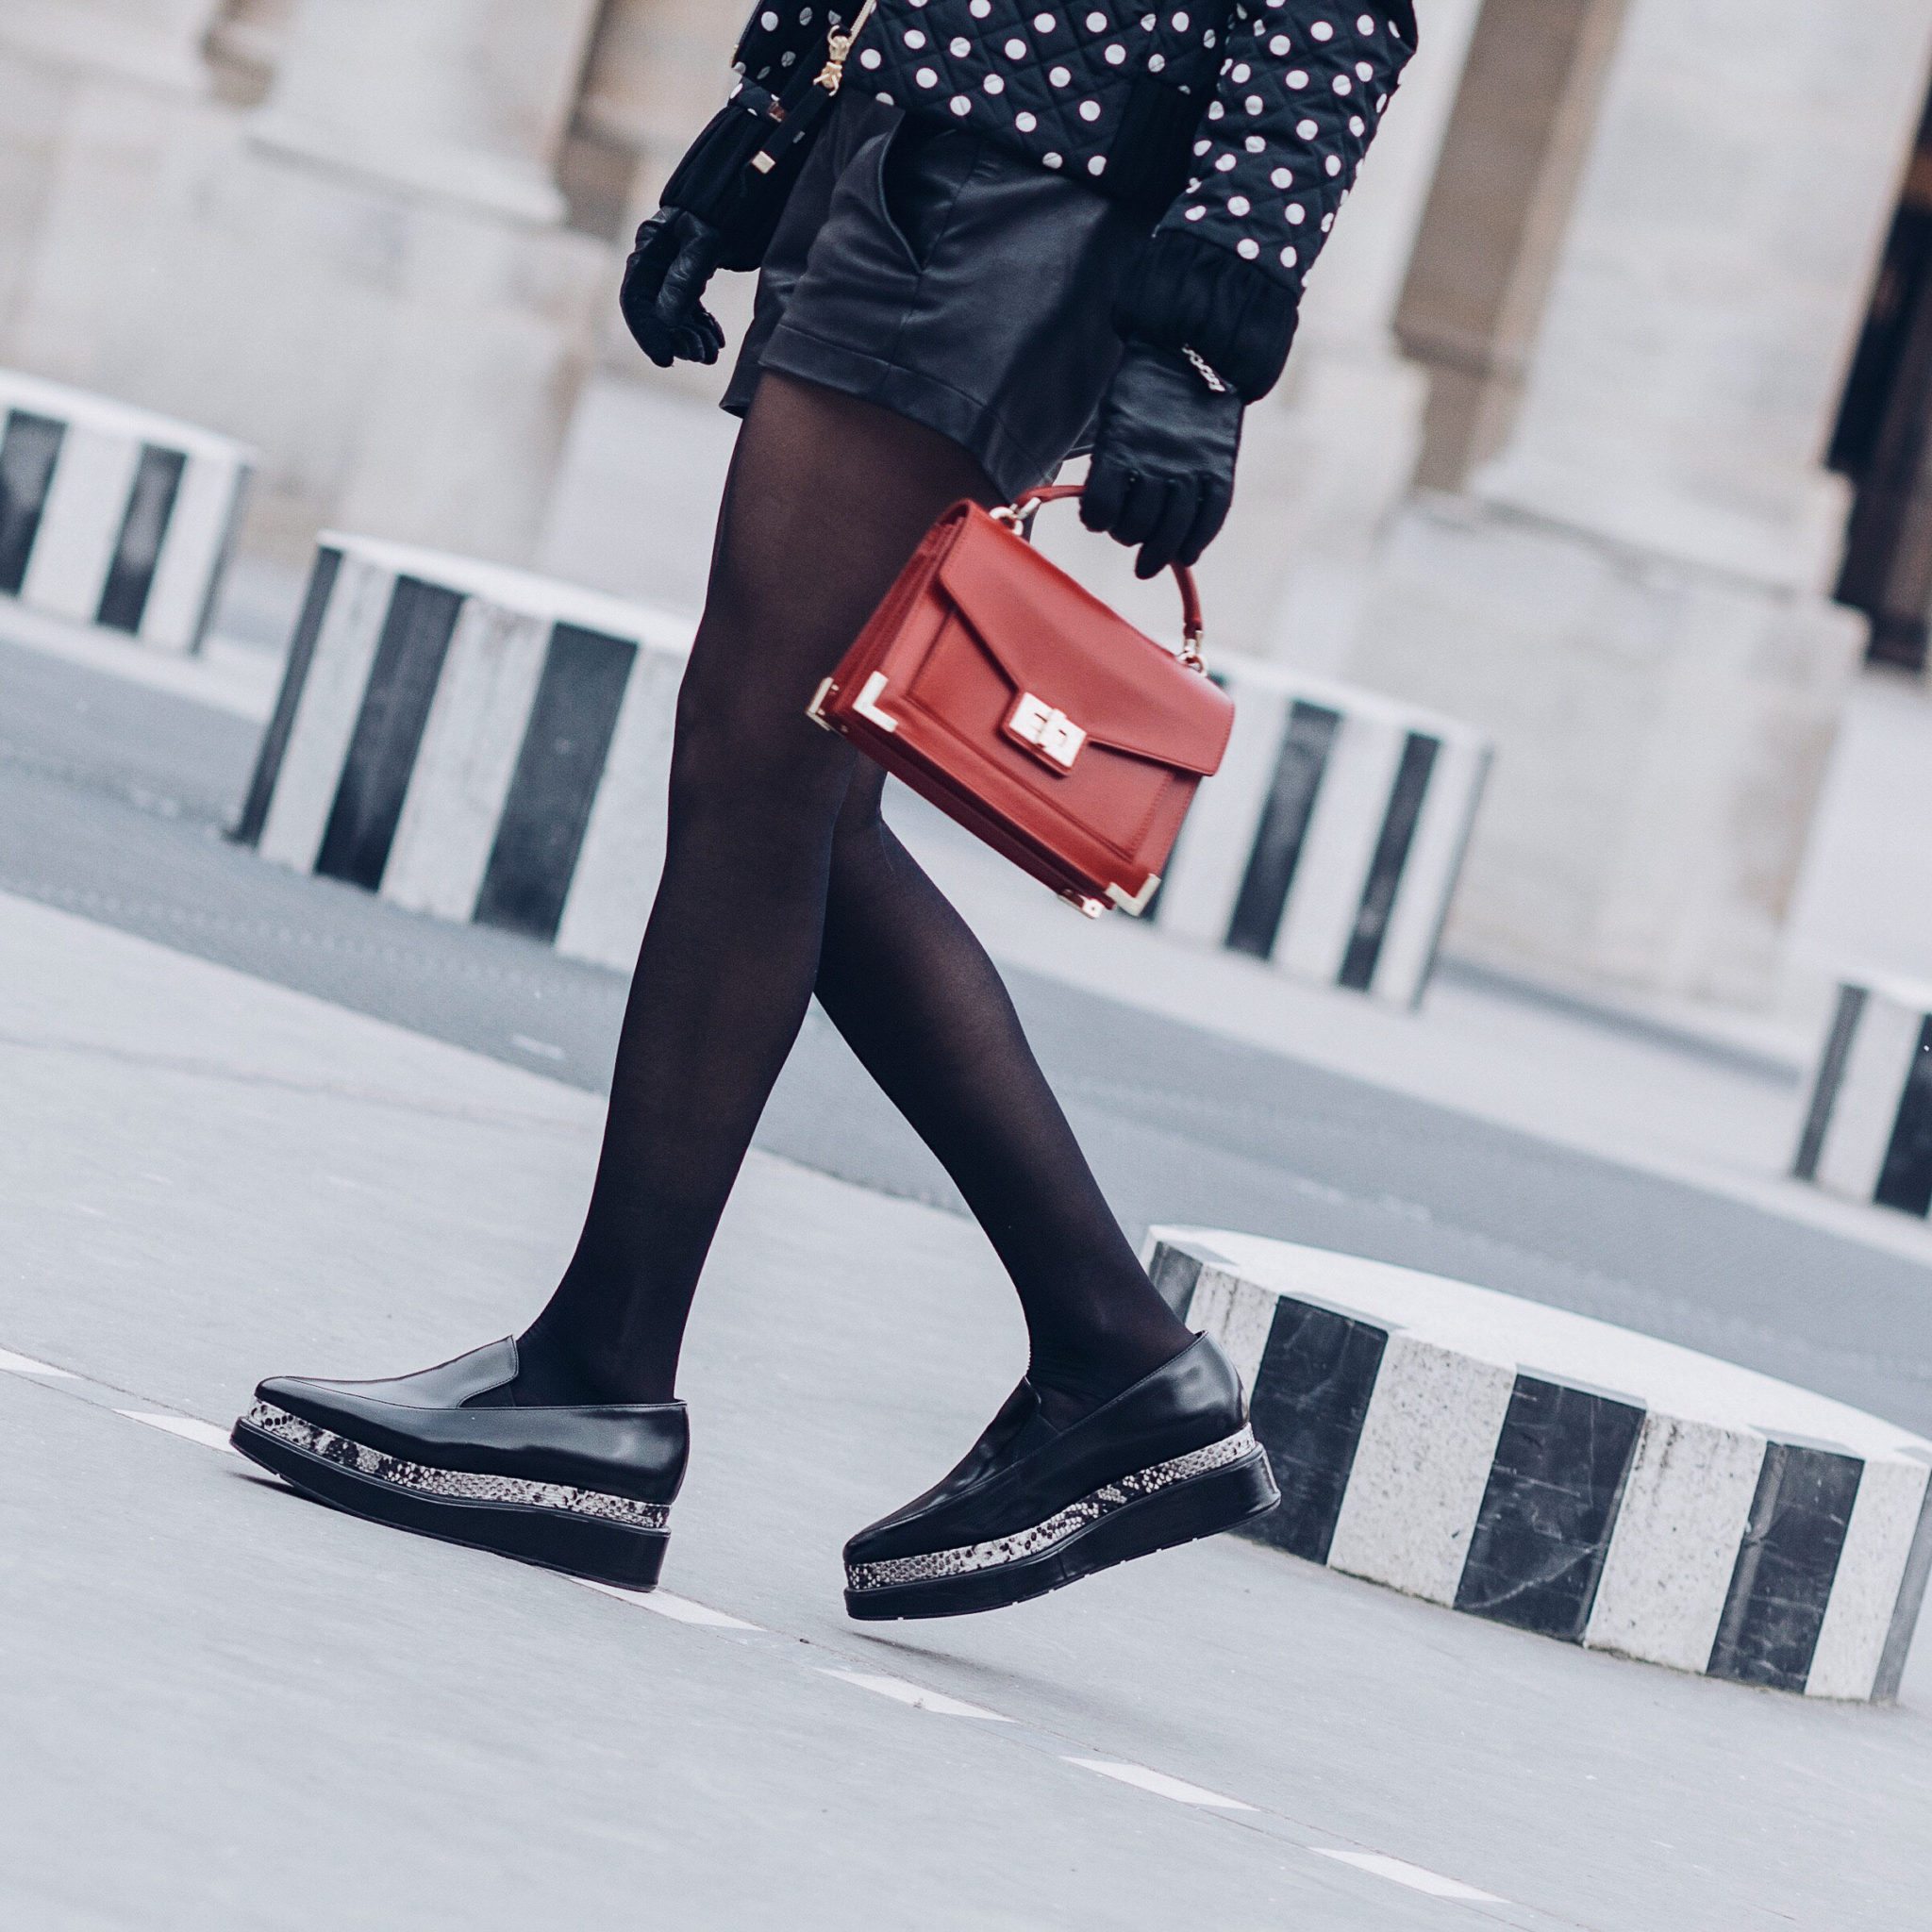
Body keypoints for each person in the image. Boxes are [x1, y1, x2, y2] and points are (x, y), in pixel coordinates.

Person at [231, 2, 1418, 1621]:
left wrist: (1203, 338)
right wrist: (765, 133)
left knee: (753, 753)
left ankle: (608, 1381)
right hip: (906, 152)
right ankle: (1105, 1359)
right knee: (796, 787)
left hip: (1023, 191)